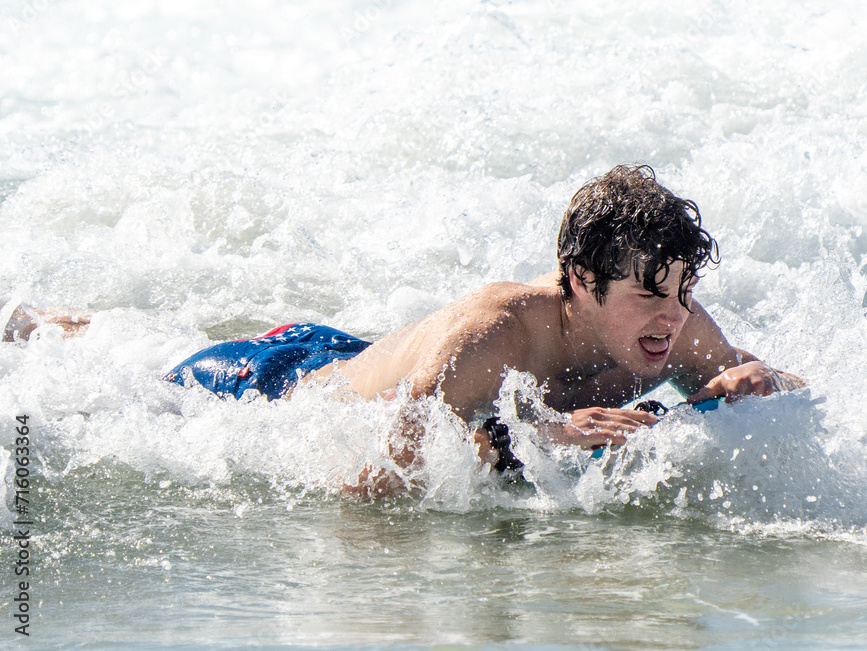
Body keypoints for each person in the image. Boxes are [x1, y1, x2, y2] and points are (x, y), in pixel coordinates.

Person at [6, 165, 804, 496]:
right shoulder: (497, 331)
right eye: (648, 293)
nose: (673, 315)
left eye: (684, 290)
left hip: (380, 357)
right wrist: (550, 434)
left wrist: (751, 379)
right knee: (137, 360)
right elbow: (383, 465)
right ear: (581, 281)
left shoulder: (674, 324)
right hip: (280, 382)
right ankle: (37, 320)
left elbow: (767, 376)